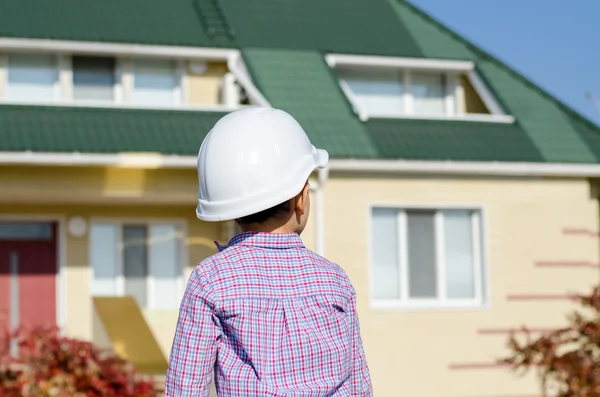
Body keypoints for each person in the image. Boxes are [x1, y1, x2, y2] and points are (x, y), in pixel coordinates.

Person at [165, 107, 372, 396]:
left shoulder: (210, 280)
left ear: (231, 209)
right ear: (301, 199)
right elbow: (358, 385)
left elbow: (186, 387)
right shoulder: (335, 280)